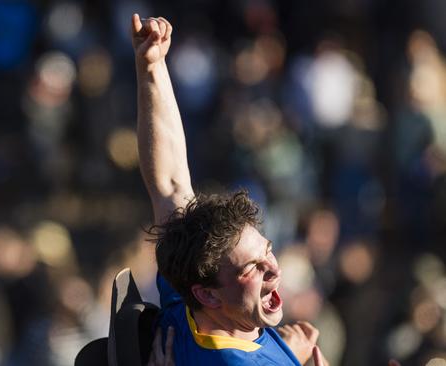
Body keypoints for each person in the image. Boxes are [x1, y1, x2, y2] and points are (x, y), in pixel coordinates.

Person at [131, 14, 325, 365]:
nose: (274, 269)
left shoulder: (189, 303)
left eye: (266, 251)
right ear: (207, 295)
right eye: (251, 268)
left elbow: (171, 182)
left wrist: (152, 65)